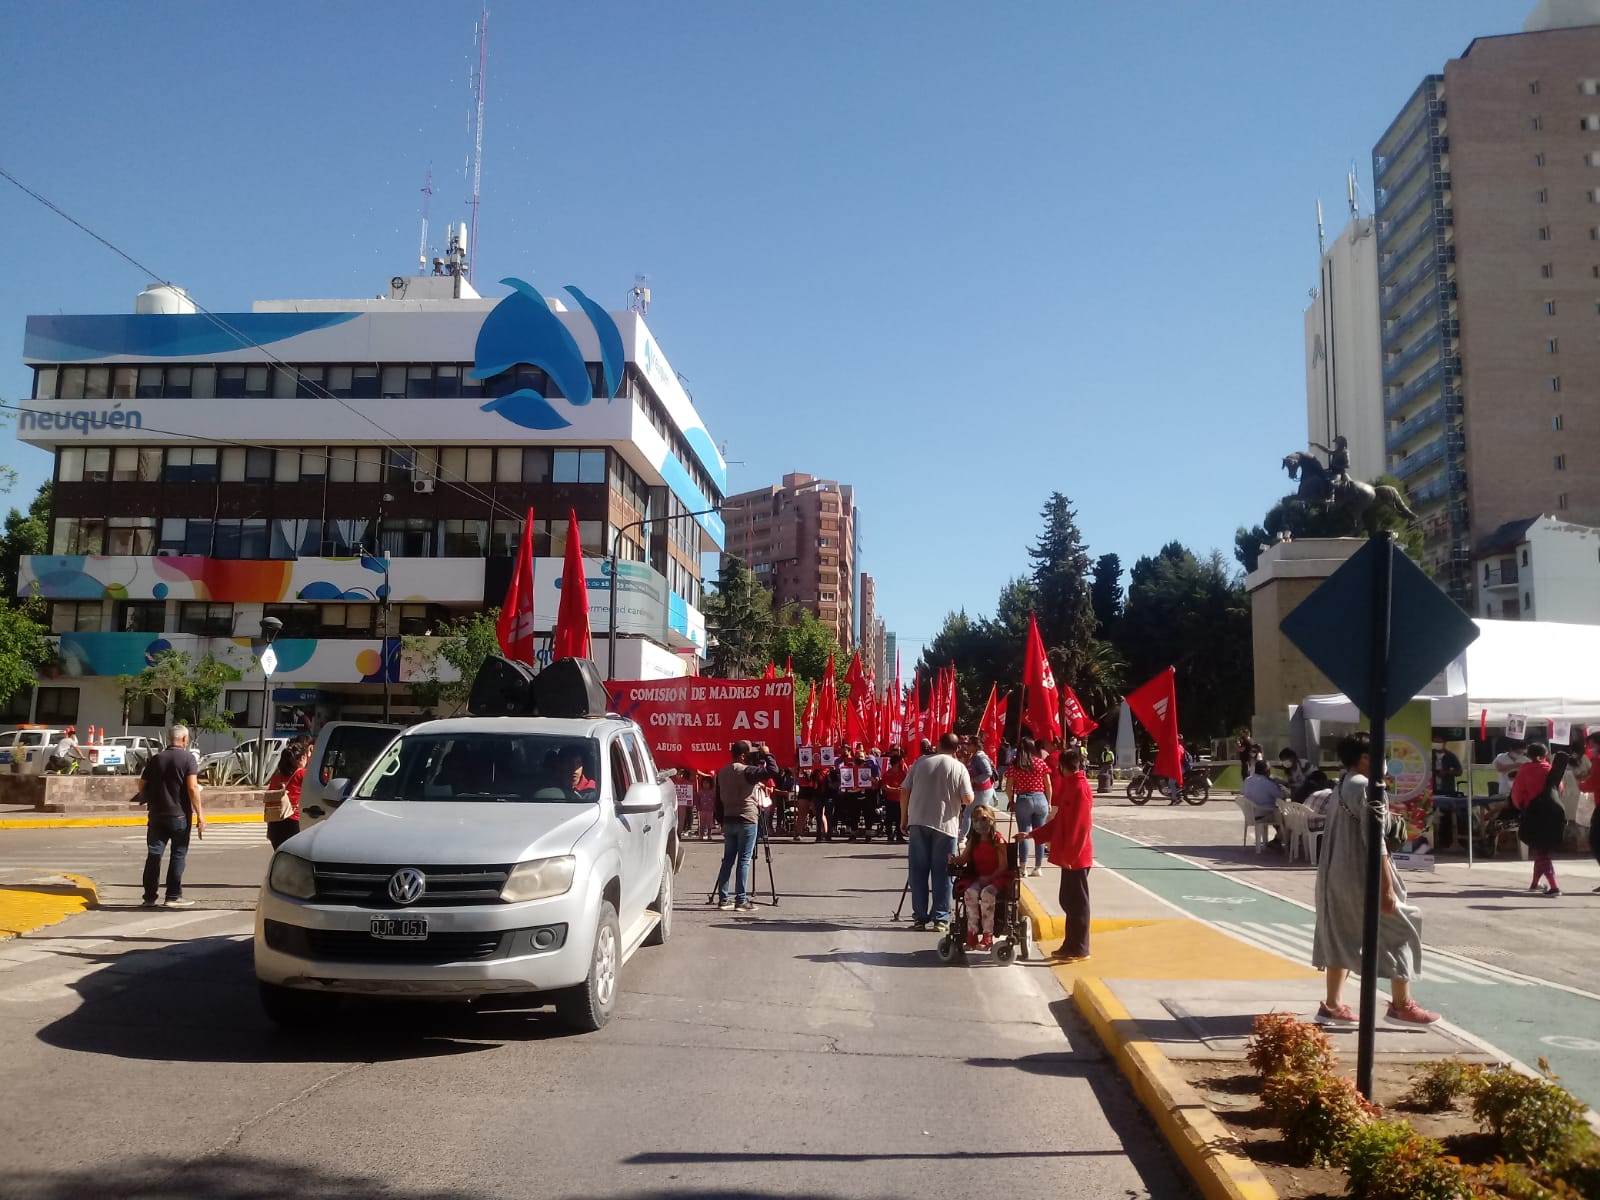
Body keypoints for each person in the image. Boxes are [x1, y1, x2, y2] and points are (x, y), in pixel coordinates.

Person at [1311, 732, 1439, 1026]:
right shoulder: (1366, 787)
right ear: (1366, 758)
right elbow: (1376, 840)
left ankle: (1332, 1005)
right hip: (1362, 875)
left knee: (1342, 934)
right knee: (1401, 930)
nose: (1386, 762)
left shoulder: (1342, 783)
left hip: (1336, 874)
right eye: (1382, 755)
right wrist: (1386, 887)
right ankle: (1401, 1005)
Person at [1017, 747, 1095, 961]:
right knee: (1068, 900)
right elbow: (1059, 823)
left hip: (1076, 857)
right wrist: (1032, 834)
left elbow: (1082, 827)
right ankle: (1071, 945)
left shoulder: (1079, 788)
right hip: (1070, 857)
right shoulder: (1071, 786)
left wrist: (1072, 855)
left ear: (1061, 766)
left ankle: (1079, 948)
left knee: (1077, 903)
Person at [901, 732, 973, 932]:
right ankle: (941, 918)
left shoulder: (920, 763)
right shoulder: (959, 767)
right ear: (957, 749)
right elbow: (968, 798)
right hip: (945, 826)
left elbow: (904, 790)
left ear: (938, 744)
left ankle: (920, 917)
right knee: (943, 873)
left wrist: (904, 818)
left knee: (918, 871)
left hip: (918, 821)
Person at [135, 723, 206, 909]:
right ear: (184, 739)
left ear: (168, 739)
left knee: (154, 854)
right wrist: (200, 815)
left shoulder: (157, 758)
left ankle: (149, 897)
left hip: (157, 814)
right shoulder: (188, 759)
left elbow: (142, 784)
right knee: (178, 854)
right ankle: (173, 896)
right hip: (179, 815)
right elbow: (192, 787)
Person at [711, 740, 777, 912]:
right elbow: (773, 771)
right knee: (744, 860)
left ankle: (723, 899)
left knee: (728, 860)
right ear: (742, 755)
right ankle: (741, 900)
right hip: (747, 819)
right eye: (748, 754)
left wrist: (721, 820)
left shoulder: (722, 772)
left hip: (729, 819)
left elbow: (717, 800)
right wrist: (767, 753)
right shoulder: (748, 771)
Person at [1510, 743, 1568, 896]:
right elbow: (1560, 788)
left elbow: (1517, 793)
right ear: (1545, 755)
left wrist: (1521, 806)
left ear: (1528, 756)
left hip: (1535, 812)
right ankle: (1535, 884)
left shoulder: (1525, 770)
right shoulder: (1551, 769)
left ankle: (1554, 887)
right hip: (1555, 811)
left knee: (1540, 851)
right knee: (1541, 849)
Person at [952, 804, 1010, 950]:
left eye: (983, 818)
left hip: (997, 878)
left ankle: (987, 936)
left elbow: (1003, 866)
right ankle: (971, 934)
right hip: (980, 878)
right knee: (970, 893)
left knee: (986, 894)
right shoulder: (974, 840)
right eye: (975, 819)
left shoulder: (998, 840)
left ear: (991, 820)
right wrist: (953, 859)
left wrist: (989, 878)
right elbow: (963, 859)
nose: (979, 822)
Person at [1004, 737, 1053, 877]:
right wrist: (1049, 802)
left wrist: (1011, 801)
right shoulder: (1040, 763)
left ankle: (1023, 867)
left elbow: (1009, 787)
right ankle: (1038, 867)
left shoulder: (1015, 765)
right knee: (1040, 833)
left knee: (1023, 833)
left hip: (1023, 799)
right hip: (1040, 798)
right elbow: (1048, 785)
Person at [265, 740, 309, 849]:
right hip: (293, 820)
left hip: (274, 822)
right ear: (302, 757)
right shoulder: (303, 774)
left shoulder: (276, 777)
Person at [1242, 760, 1288, 849]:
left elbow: (1243, 792)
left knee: (1277, 814)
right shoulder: (1268, 783)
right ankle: (1279, 840)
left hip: (1250, 814)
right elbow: (1281, 796)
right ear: (1267, 770)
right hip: (1263, 814)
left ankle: (1278, 839)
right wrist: (1284, 788)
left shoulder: (1247, 780)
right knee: (1287, 818)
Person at [1578, 731, 1600, 892]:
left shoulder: (1598, 761)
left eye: (1591, 744)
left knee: (1595, 841)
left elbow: (1593, 783)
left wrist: (1581, 783)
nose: (1589, 748)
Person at [964, 737, 997, 840]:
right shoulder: (976, 756)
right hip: (982, 789)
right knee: (981, 813)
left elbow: (988, 772)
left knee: (970, 813)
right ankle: (985, 834)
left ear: (975, 746)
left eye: (969, 744)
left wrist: (974, 780)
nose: (967, 746)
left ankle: (963, 836)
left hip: (982, 789)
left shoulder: (979, 757)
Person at [880, 748, 908, 844]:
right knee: (890, 818)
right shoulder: (888, 773)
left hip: (901, 800)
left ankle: (900, 835)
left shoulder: (903, 773)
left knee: (900, 818)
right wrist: (895, 790)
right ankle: (889, 834)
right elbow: (885, 787)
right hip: (891, 799)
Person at [694, 769, 718, 841]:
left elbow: (715, 800)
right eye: (704, 783)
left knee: (709, 823)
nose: (706, 785)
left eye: (707, 783)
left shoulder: (712, 792)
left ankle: (709, 835)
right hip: (702, 809)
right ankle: (701, 834)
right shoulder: (700, 792)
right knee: (702, 823)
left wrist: (715, 807)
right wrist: (697, 806)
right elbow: (697, 800)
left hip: (710, 810)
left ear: (710, 784)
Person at [674, 768, 696, 838]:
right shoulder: (672, 782)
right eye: (678, 774)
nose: (680, 776)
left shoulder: (688, 783)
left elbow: (691, 793)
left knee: (681, 819)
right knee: (674, 819)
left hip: (682, 805)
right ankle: (674, 833)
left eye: (681, 774)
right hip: (673, 804)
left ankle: (679, 833)